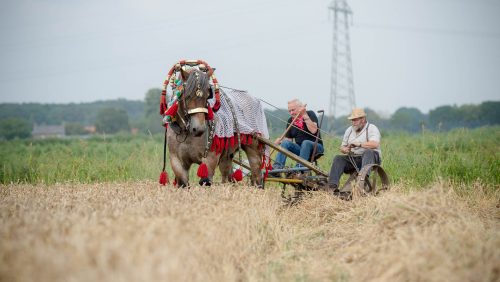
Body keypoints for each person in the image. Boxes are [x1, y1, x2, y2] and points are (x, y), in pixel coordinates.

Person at [327, 108, 381, 192]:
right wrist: (345, 149)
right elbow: (342, 147)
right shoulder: (349, 130)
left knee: (368, 151)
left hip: (371, 158)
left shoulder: (371, 128)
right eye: (352, 120)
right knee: (338, 158)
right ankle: (332, 187)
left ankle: (362, 182)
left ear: (363, 119)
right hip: (355, 159)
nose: (353, 122)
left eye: (355, 120)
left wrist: (359, 144)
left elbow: (375, 144)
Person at [272, 99, 324, 171]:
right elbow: (288, 141)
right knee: (285, 143)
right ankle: (277, 167)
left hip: (316, 147)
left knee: (306, 142)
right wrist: (280, 141)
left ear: (300, 108)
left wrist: (304, 115)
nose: (291, 113)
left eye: (293, 110)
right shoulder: (290, 120)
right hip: (301, 149)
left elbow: (313, 130)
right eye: (289, 111)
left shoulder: (310, 114)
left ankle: (298, 169)